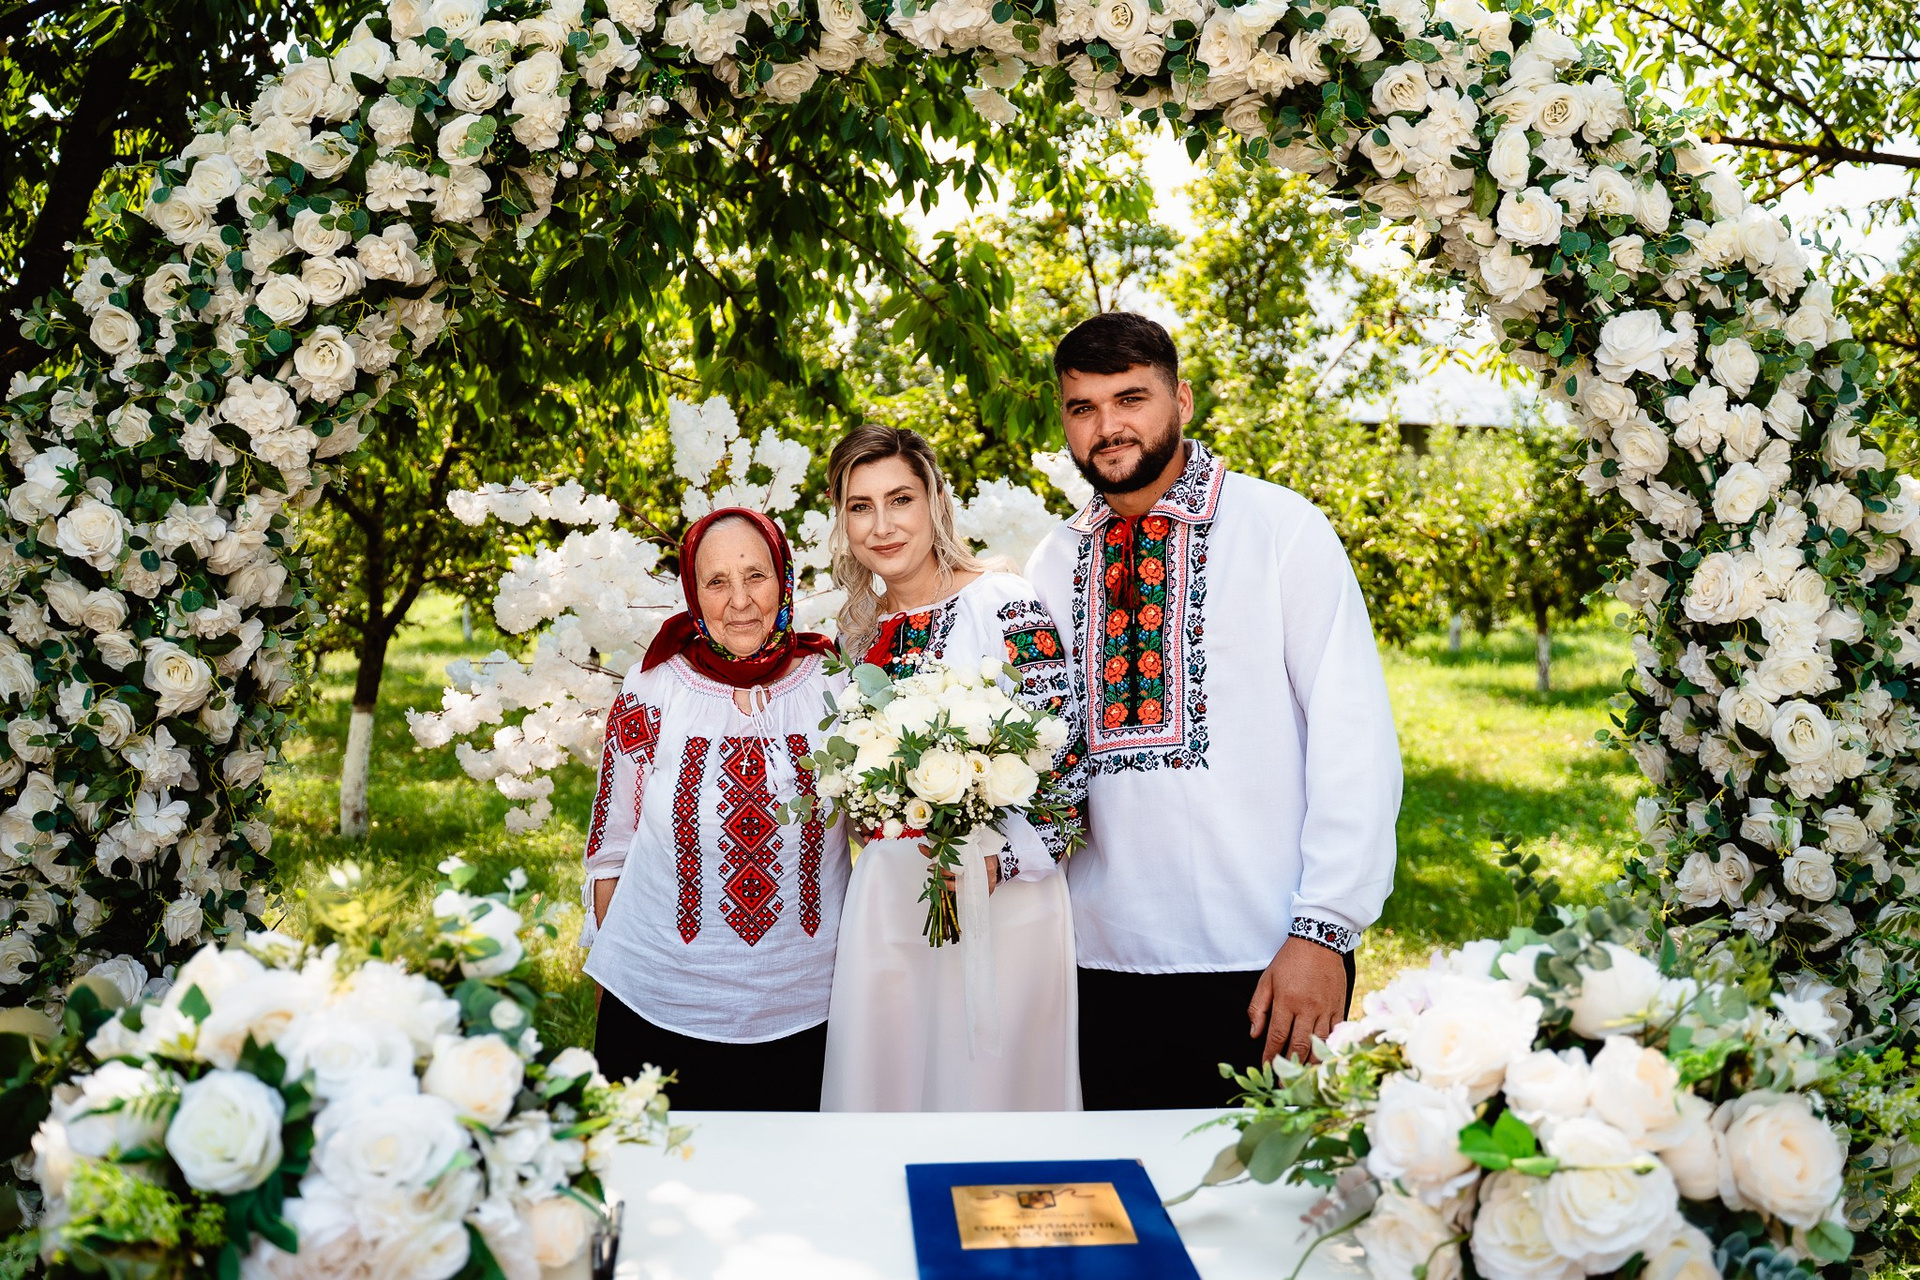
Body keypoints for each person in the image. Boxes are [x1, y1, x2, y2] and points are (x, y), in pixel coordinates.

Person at [1025, 312, 1403, 1110]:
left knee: (1266, 1184)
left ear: (1183, 400)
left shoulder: (1279, 529)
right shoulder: (1054, 562)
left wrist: (1324, 929)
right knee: (1121, 1182)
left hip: (1270, 959)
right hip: (1098, 963)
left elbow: (1353, 737)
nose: (1107, 426)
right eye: (1082, 407)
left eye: (1131, 399)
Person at [820, 426, 1084, 1112]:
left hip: (1005, 899)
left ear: (937, 500)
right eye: (859, 506)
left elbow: (1068, 760)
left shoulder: (1005, 602)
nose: (882, 526)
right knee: (889, 1092)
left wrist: (1000, 862)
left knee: (989, 1098)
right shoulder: (855, 635)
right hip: (889, 896)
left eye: (900, 499)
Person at [580, 506, 847, 1110]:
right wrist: (611, 972)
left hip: (811, 1007)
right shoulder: (654, 688)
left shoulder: (833, 684)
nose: (740, 602)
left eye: (756, 576)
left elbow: (877, 827)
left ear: (784, 578)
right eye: (717, 582)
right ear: (693, 593)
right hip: (658, 1006)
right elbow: (611, 846)